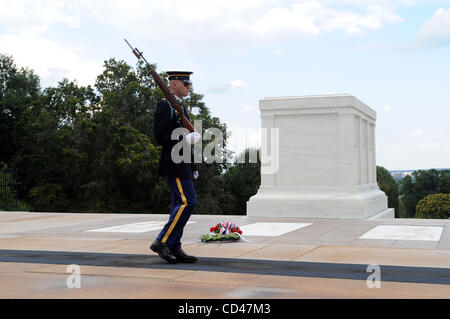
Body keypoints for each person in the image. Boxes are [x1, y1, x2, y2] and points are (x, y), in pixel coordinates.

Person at [150, 71, 201, 263]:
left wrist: (193, 165)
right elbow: (160, 136)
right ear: (173, 85)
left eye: (189, 84)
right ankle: (162, 242)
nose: (189, 87)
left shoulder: (180, 108)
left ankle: (174, 245)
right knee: (188, 202)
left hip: (184, 163)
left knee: (178, 205)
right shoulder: (165, 107)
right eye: (185, 84)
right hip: (173, 163)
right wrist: (184, 137)